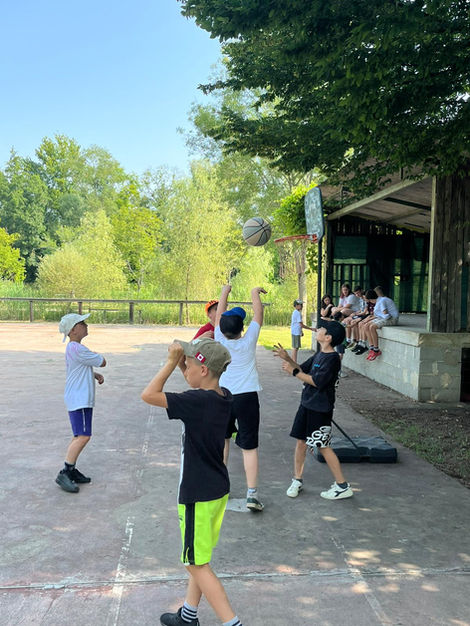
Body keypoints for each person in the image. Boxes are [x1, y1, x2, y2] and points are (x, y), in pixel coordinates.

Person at [141, 338, 243, 626]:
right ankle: (188, 615)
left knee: (195, 564)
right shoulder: (224, 396)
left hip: (197, 494)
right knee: (200, 557)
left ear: (204, 370)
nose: (184, 368)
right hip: (217, 489)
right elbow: (195, 381)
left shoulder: (196, 401)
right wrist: (183, 364)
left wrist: (170, 363)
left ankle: (232, 623)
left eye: (188, 364)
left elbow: (149, 394)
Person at [273, 319, 353, 501]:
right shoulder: (319, 354)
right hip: (307, 404)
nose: (318, 329)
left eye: (322, 328)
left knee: (322, 446)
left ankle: (342, 486)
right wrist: (287, 358)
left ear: (328, 337)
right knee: (301, 442)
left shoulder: (333, 359)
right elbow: (302, 369)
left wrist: (294, 373)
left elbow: (317, 381)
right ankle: (297, 479)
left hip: (320, 409)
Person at [214, 284, 266, 512]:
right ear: (242, 328)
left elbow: (219, 314)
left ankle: (219, 490)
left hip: (222, 396)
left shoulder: (219, 338)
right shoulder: (249, 340)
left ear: (221, 327)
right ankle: (252, 494)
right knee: (249, 447)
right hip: (247, 397)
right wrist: (254, 293)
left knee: (222, 441)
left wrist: (225, 291)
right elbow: (258, 314)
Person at [55, 313, 106, 493]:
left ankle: (71, 469)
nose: (86, 325)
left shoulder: (72, 348)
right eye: (82, 323)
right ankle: (66, 472)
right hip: (80, 399)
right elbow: (102, 361)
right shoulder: (78, 349)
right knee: (83, 436)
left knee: (78, 435)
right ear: (73, 330)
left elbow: (77, 368)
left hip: (76, 397)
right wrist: (97, 361)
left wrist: (93, 374)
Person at [363, 289, 399, 361]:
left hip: (392, 319)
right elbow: (378, 315)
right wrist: (369, 320)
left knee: (372, 327)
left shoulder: (381, 301)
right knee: (366, 326)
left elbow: (385, 314)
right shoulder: (379, 301)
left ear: (370, 299)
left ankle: (376, 349)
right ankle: (371, 347)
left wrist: (375, 321)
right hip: (385, 317)